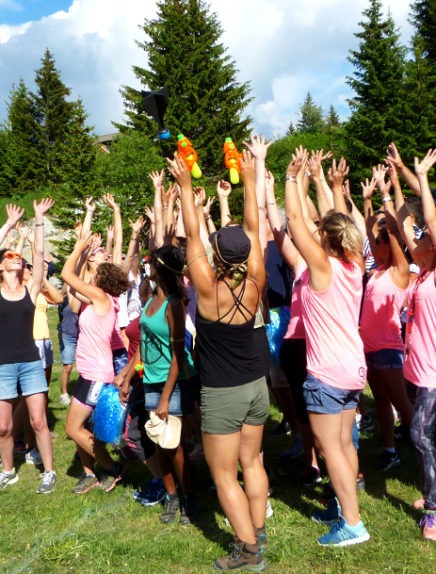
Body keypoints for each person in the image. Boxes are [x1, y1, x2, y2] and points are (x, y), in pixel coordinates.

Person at [168, 150, 268, 571]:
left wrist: (186, 187)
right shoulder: (257, 278)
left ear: (217, 257)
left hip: (223, 393)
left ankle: (248, 551)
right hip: (256, 387)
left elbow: (192, 234)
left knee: (224, 474)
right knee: (252, 461)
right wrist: (250, 178)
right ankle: (257, 529)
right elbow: (253, 227)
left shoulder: (208, 290)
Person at [285, 151, 370, 546]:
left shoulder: (322, 267)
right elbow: (338, 221)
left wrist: (291, 178)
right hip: (353, 370)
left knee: (330, 447)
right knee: (344, 444)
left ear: (326, 240)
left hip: (329, 373)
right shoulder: (354, 265)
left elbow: (296, 225)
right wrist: (319, 182)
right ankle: (344, 508)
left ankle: (352, 524)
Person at [120, 245, 195, 525]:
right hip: (150, 378)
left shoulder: (174, 303)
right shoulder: (151, 299)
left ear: (160, 268)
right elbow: (145, 344)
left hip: (173, 380)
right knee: (156, 440)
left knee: (173, 444)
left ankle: (188, 496)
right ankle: (171, 494)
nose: (147, 266)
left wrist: (165, 398)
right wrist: (128, 375)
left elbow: (178, 355)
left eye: (150, 262)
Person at [61, 232, 130, 494]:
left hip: (96, 375)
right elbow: (73, 289)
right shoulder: (99, 299)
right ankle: (100, 468)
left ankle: (113, 468)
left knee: (72, 428)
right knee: (78, 427)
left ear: (102, 279)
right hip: (90, 373)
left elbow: (68, 276)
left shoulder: (101, 298)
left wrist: (78, 247)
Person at [0, 199, 57, 494]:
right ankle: (8, 471)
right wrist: (8, 226)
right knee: (3, 427)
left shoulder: (30, 288)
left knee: (38, 421)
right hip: (2, 366)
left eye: (17, 256)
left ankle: (49, 471)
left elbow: (37, 251)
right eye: (10, 256)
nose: (16, 258)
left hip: (30, 362)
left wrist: (38, 219)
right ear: (1, 265)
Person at [360, 168, 412, 470]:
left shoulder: (399, 271)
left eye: (380, 241)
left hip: (388, 349)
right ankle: (390, 449)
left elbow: (392, 232)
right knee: (380, 399)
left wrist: (385, 192)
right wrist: (367, 201)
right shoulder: (377, 271)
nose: (375, 243)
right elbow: (371, 230)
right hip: (369, 349)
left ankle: (421, 444)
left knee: (403, 404)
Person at [404, 149, 436, 541]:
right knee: (431, 436)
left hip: (432, 374)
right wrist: (396, 179)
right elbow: (409, 222)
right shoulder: (424, 270)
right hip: (418, 368)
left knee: (420, 435)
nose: (420, 239)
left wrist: (423, 177)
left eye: (425, 237)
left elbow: (428, 219)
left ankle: (433, 511)